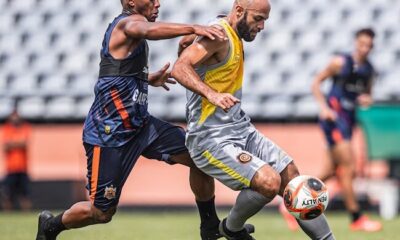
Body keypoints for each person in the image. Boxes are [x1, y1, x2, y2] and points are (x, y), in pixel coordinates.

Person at [35, 0, 229, 239]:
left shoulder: (130, 35)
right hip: (109, 133)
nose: (158, 3)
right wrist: (194, 28)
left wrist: (146, 78)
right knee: (101, 212)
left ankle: (209, 226)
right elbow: (146, 30)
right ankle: (51, 226)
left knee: (200, 157)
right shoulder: (127, 24)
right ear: (131, 2)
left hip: (141, 126)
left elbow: (112, 73)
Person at [171, 0, 335, 239]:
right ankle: (231, 229)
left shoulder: (231, 35)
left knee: (293, 179)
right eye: (258, 19)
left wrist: (187, 44)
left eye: (264, 20)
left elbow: (190, 52)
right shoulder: (219, 36)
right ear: (239, 11)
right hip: (210, 139)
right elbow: (179, 68)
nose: (262, 26)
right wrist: (212, 94)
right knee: (268, 183)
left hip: (240, 129)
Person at [308, 28, 382, 232]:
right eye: (362, 44)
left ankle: (290, 203)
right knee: (349, 167)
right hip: (334, 121)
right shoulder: (339, 63)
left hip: (349, 122)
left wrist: (367, 99)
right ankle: (356, 217)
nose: (365, 48)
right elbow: (315, 83)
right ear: (356, 43)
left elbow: (367, 95)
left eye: (369, 45)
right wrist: (324, 108)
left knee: (330, 171)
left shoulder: (369, 70)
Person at [2, 109, 32, 211]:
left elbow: (25, 143)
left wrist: (12, 143)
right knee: (8, 194)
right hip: (11, 168)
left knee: (25, 194)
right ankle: (7, 214)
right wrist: (18, 143)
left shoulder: (25, 127)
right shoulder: (7, 129)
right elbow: (5, 146)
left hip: (23, 168)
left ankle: (26, 214)